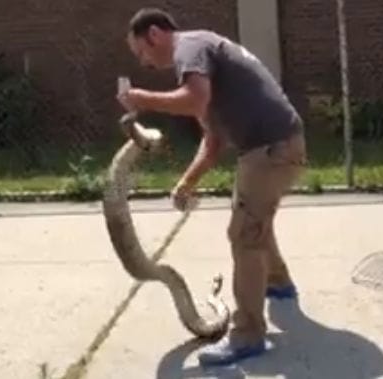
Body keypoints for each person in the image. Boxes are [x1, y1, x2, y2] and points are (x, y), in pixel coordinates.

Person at [117, 7, 307, 367]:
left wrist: (141, 98)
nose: (144, 61)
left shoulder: (190, 47)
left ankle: (248, 335)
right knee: (252, 220)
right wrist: (187, 182)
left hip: (273, 147)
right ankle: (279, 285)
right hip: (275, 147)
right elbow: (213, 139)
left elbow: (193, 100)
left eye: (140, 51)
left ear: (155, 35)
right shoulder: (200, 57)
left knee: (244, 234)